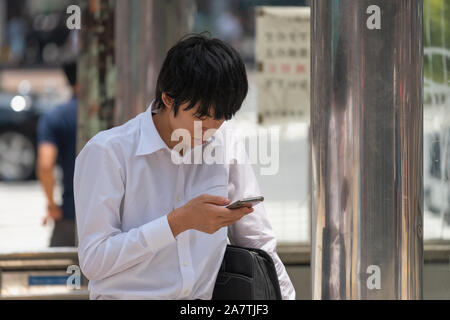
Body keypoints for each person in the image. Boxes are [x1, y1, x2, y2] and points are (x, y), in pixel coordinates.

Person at [73, 33, 295, 300]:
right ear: (168, 98)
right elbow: (94, 260)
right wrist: (178, 222)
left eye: (221, 117)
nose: (210, 128)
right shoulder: (108, 152)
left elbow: (257, 241)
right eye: (200, 116)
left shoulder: (225, 142)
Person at [37, 61, 78, 247]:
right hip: (112, 219)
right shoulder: (119, 112)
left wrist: (52, 206)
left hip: (69, 215)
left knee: (63, 273)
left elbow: (46, 165)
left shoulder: (55, 117)